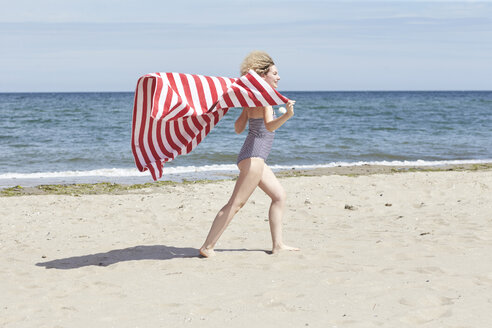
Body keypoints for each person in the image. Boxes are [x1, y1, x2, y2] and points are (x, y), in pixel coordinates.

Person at [199, 51, 299, 258]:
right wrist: (288, 115)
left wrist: (245, 111)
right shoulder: (264, 99)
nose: (278, 77)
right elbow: (270, 127)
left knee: (279, 196)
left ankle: (278, 244)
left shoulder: (251, 98)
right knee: (236, 203)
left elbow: (238, 128)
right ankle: (207, 246)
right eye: (275, 73)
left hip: (251, 155)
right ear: (263, 76)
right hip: (254, 157)